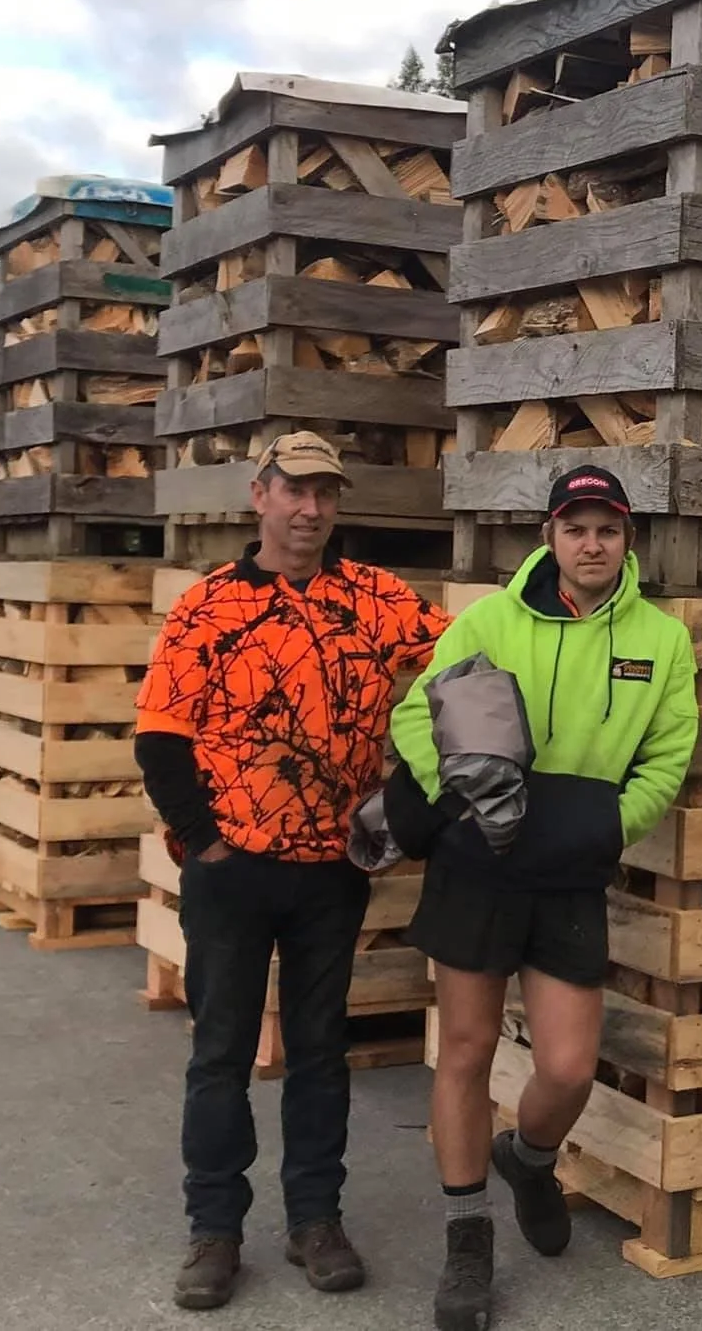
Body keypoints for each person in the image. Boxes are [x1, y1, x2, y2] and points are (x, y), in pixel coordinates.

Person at [135, 431, 451, 1311]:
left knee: (320, 1052)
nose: (310, 509)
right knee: (221, 1051)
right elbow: (160, 735)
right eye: (294, 491)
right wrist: (205, 840)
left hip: (329, 868)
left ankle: (317, 1220)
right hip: (230, 867)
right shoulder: (209, 607)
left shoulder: (378, 600)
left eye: (325, 494)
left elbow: (461, 661)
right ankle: (215, 1232)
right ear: (260, 495)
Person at [385, 464, 698, 1331]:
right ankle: (466, 1239)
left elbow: (668, 758)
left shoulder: (661, 641)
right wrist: (459, 791)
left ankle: (528, 1157)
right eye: (575, 527)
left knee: (566, 1066)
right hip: (476, 865)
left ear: (627, 538)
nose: (590, 543)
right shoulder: (487, 619)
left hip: (569, 868)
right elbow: (419, 714)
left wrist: (602, 825)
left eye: (606, 528)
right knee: (467, 1051)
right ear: (549, 537)